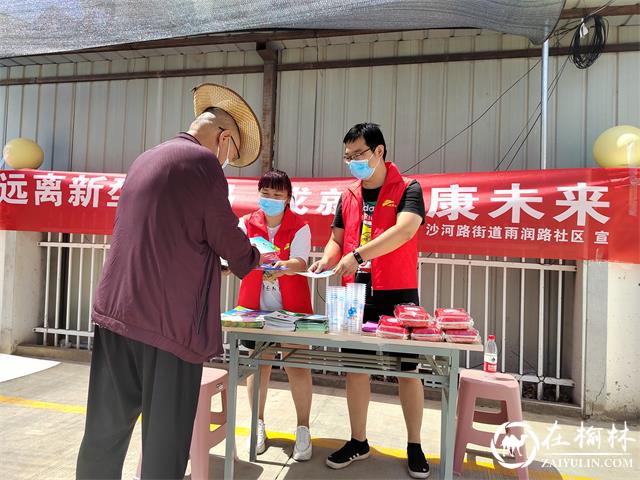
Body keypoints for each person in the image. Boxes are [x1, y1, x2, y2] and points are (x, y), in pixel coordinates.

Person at [76, 83, 263, 480]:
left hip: (116, 314)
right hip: (169, 327)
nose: (227, 160)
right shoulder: (203, 164)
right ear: (224, 137)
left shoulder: (147, 158)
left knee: (103, 435)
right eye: (231, 152)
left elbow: (163, 236)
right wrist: (251, 260)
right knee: (164, 447)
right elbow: (225, 232)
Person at [309, 123, 429, 478]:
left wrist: (358, 255)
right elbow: (337, 238)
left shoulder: (408, 188)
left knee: (408, 372)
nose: (353, 162)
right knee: (356, 370)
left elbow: (405, 229)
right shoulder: (348, 195)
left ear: (379, 152)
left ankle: (415, 445)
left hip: (398, 293)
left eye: (359, 155)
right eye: (348, 157)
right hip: (355, 294)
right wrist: (328, 258)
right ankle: (358, 441)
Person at [235, 168, 314, 461]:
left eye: (277, 195)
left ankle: (303, 428)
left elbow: (300, 262)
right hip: (255, 308)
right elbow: (240, 257)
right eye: (265, 194)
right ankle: (257, 424)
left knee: (297, 367)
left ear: (288, 198)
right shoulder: (246, 223)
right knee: (259, 367)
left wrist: (277, 264)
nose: (270, 200)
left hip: (292, 309)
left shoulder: (299, 226)